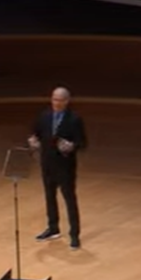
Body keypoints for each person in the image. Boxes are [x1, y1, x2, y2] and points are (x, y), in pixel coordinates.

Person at [27, 87, 87, 249]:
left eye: (60, 100)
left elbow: (82, 142)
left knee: (69, 199)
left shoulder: (74, 119)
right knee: (49, 196)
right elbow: (36, 134)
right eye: (54, 99)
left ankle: (74, 235)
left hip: (65, 166)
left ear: (67, 101)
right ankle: (53, 228)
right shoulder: (45, 116)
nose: (56, 103)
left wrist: (71, 146)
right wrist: (33, 141)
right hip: (47, 163)